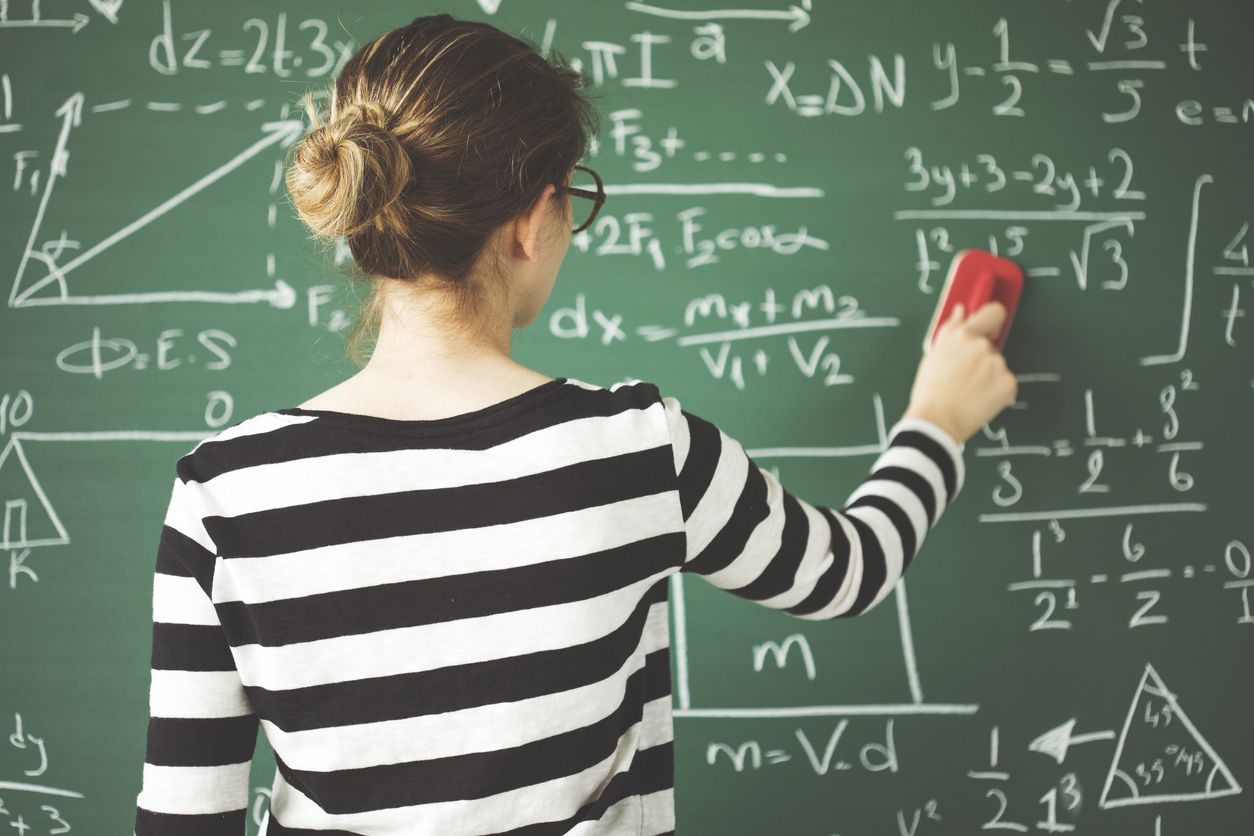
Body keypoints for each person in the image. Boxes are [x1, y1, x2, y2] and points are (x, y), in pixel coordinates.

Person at [133, 13, 1016, 836]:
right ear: (531, 220)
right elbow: (846, 572)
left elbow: (184, 817)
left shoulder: (224, 492)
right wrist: (937, 418)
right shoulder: (636, 451)